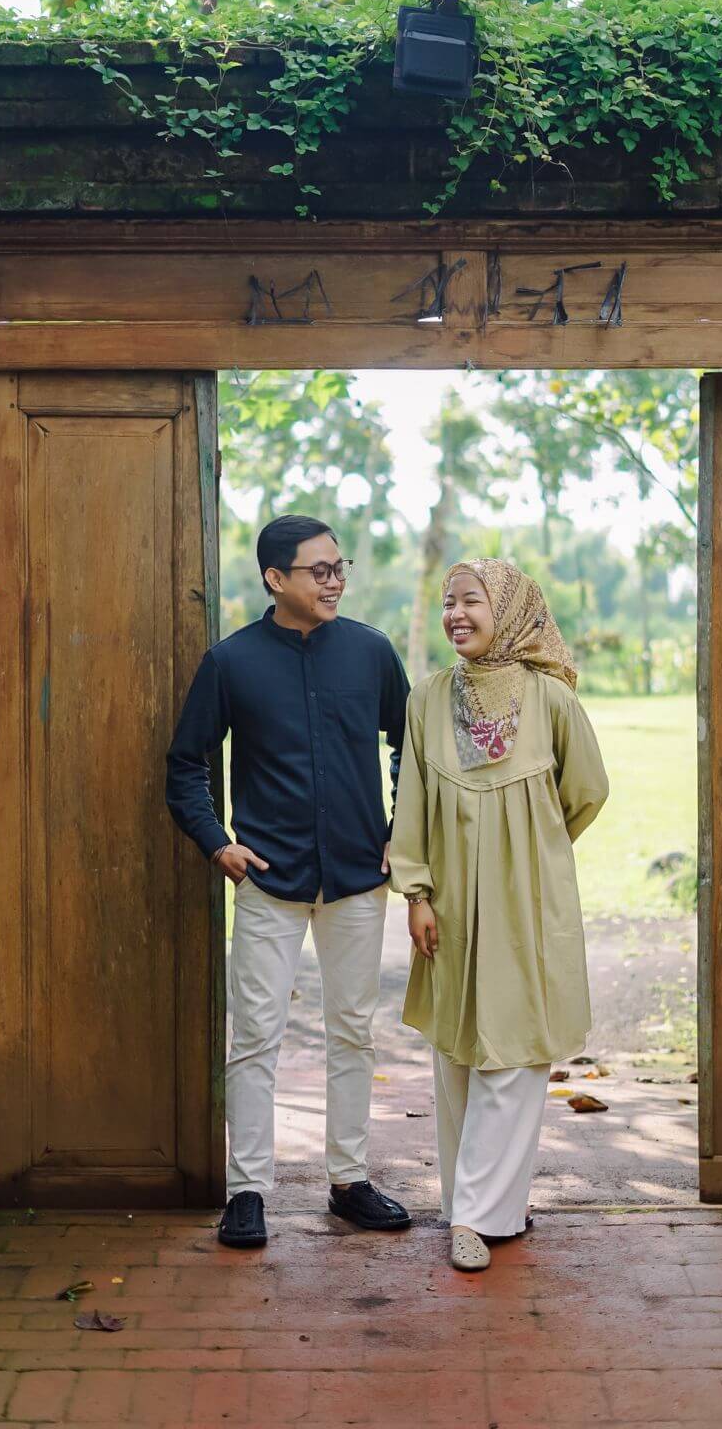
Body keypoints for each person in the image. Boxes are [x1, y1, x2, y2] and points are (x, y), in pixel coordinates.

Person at [167, 514, 413, 1249]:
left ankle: (350, 1181)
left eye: (340, 568)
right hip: (269, 881)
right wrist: (217, 843)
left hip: (357, 878)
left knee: (353, 1033)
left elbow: (411, 746)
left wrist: (400, 828)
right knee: (255, 1038)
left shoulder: (372, 652)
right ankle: (247, 1192)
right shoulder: (230, 662)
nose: (335, 581)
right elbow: (185, 763)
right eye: (320, 570)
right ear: (276, 578)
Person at [389, 558, 608, 1272]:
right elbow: (412, 801)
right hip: (448, 900)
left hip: (527, 901)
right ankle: (482, 1208)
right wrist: (416, 892)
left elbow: (586, 790)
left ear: (509, 611)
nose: (456, 614)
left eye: (472, 601)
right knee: (457, 1049)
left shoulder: (551, 699)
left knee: (515, 1051)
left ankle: (474, 1219)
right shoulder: (427, 699)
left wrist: (532, 851)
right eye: (448, 602)